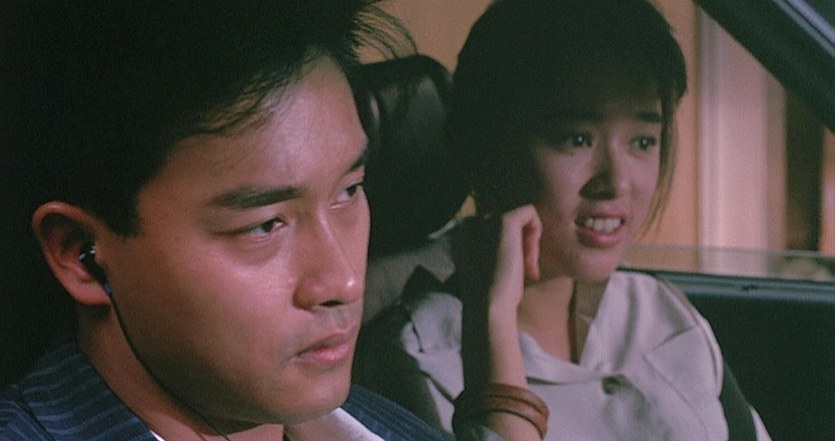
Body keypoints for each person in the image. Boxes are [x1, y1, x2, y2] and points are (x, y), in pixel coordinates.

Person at [0, 2, 450, 440]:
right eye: (265, 225)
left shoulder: (389, 426)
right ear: (82, 254)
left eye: (348, 192)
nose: (343, 282)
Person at [355, 0, 773, 440]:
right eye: (576, 139)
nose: (616, 182)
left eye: (643, 141)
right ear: (486, 149)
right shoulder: (414, 357)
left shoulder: (658, 311)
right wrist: (492, 321)